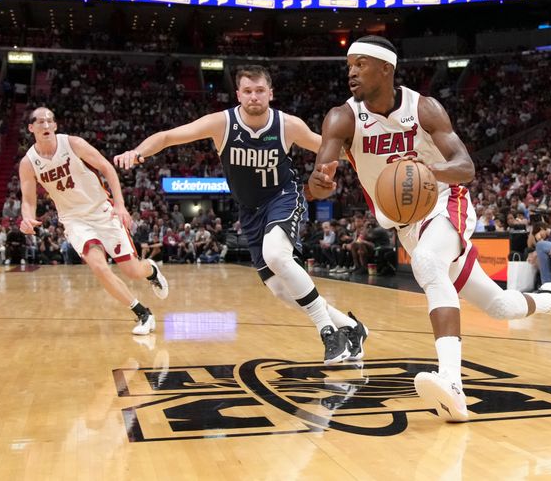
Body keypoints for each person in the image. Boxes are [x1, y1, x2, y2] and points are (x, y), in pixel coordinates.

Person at [308, 35, 551, 422]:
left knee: (426, 262)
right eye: (349, 66)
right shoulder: (341, 117)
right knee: (499, 305)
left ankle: (452, 385)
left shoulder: (424, 108)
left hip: (445, 200)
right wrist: (320, 182)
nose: (351, 72)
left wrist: (420, 171)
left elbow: (465, 167)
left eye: (360, 64)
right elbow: (319, 178)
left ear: (386, 68)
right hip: (405, 222)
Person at [114, 65, 366, 365]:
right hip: (250, 211)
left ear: (270, 93)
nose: (254, 97)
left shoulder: (288, 125)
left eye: (260, 91)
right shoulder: (222, 123)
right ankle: (351, 328)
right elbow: (169, 136)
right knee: (281, 291)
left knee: (277, 255)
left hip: (283, 197)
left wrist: (368, 156)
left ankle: (328, 333)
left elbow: (328, 148)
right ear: (238, 94)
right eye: (248, 91)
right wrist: (138, 153)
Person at [18, 107, 168, 335]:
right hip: (74, 220)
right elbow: (28, 200)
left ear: (56, 125)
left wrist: (119, 204)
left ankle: (151, 271)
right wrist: (27, 218)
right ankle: (143, 313)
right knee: (98, 266)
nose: (46, 125)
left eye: (50, 121)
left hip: (101, 211)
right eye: (40, 122)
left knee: (133, 271)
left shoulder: (73, 144)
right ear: (31, 128)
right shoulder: (28, 163)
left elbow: (107, 168)